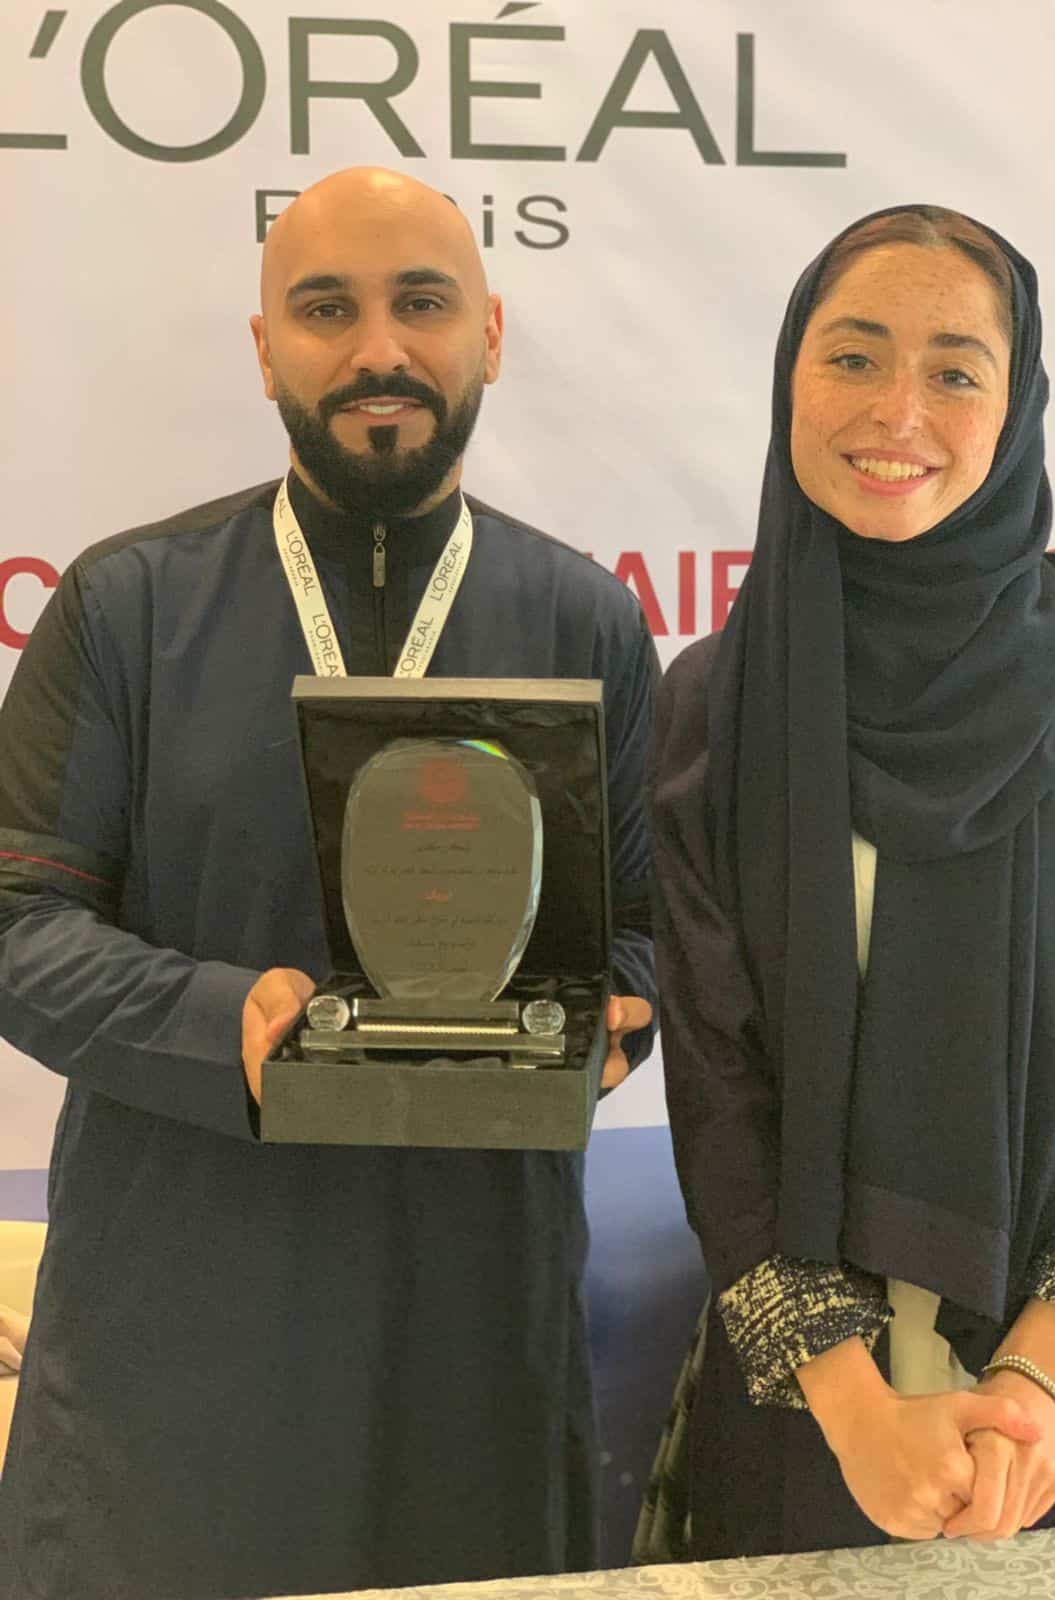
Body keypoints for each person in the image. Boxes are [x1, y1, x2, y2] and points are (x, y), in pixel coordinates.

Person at [0, 167, 657, 1600]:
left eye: (423, 302)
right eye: (325, 309)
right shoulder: (125, 608)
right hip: (181, 1332)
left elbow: (652, 929)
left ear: (492, 334)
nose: (378, 349)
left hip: (478, 1329)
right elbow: (16, 927)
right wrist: (220, 1023)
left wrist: (619, 1012)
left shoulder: (587, 621)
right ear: (264, 349)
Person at [648, 205, 1055, 1556]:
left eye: (955, 369)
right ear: (790, 380)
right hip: (809, 1416)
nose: (898, 411)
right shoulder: (717, 704)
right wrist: (855, 1411)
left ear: (1016, 406)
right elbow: (718, 1085)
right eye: (853, 357)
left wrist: (1033, 1382)